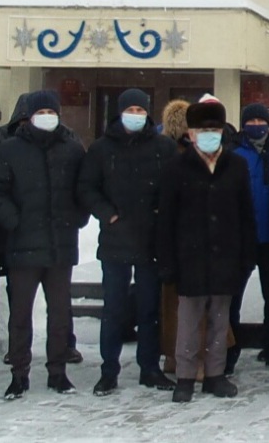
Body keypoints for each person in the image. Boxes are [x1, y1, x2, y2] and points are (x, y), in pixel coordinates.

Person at [0, 89, 87, 399]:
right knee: (20, 316)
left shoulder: (72, 149)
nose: (47, 117)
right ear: (28, 117)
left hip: (60, 247)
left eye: (51, 112)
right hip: (22, 248)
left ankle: (58, 372)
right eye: (40, 112)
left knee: (59, 314)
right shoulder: (11, 150)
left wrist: (77, 217)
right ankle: (19, 373)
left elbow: (84, 189)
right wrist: (14, 220)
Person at [77, 88, 178, 396]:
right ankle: (109, 371)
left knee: (149, 309)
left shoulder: (164, 147)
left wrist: (162, 212)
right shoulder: (101, 148)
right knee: (114, 310)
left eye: (140, 109)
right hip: (115, 240)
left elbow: (174, 186)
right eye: (130, 109)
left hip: (150, 241)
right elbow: (86, 188)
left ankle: (149, 368)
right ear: (119, 112)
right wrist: (108, 214)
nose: (135, 114)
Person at [156, 97, 256, 403]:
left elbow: (245, 215)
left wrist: (246, 258)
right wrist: (167, 260)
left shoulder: (235, 165)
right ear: (190, 133)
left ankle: (215, 375)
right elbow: (165, 219)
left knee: (219, 320)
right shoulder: (176, 167)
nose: (209, 133)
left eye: (214, 128)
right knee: (188, 321)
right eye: (202, 128)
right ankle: (185, 377)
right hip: (190, 258)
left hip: (226, 257)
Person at [231, 102, 269, 372]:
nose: (256, 125)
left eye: (260, 120)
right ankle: (228, 350)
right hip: (242, 236)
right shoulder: (234, 153)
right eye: (251, 121)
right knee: (232, 297)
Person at [157, 97, 194, 376]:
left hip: (199, 238)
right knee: (173, 303)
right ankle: (173, 354)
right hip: (174, 235)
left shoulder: (204, 154)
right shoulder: (167, 154)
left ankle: (197, 355)